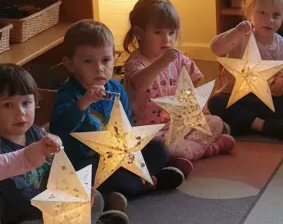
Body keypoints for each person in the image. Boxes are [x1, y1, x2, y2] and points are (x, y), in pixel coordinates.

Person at [0, 63, 128, 224]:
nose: (20, 112)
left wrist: (58, 150)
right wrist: (56, 204)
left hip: (54, 206)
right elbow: (20, 198)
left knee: (94, 196)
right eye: (8, 105)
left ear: (35, 103)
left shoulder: (36, 133)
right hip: (24, 217)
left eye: (26, 103)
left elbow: (59, 171)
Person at [51, 19, 186, 195]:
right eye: (88, 62)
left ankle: (142, 178)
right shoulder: (68, 93)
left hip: (120, 153)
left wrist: (132, 150)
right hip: (87, 160)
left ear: (114, 58)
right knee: (103, 180)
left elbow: (127, 125)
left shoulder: (116, 88)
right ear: (70, 64)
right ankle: (147, 181)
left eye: (105, 60)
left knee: (159, 149)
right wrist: (83, 103)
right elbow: (58, 129)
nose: (99, 69)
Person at [122, 0, 234, 176]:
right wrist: (161, 62)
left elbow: (196, 80)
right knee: (161, 149)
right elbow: (140, 84)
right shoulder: (135, 63)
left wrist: (200, 108)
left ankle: (188, 152)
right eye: (158, 32)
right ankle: (209, 148)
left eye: (171, 33)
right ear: (139, 33)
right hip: (151, 132)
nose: (167, 39)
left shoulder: (177, 58)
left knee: (215, 121)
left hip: (180, 124)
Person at [209, 0, 283, 140]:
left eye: (276, 15)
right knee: (215, 102)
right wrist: (235, 32)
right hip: (234, 97)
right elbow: (216, 48)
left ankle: (240, 124)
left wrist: (279, 86)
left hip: (264, 100)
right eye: (262, 12)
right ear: (248, 11)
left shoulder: (282, 45)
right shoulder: (241, 35)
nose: (269, 20)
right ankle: (263, 125)